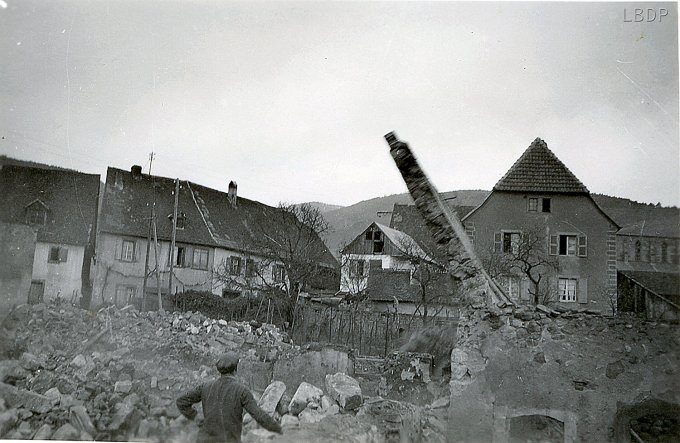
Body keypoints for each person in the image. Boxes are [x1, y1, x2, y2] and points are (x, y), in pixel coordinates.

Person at [176, 352, 283, 443]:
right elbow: (259, 415)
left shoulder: (205, 386)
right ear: (235, 369)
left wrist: (194, 416)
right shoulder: (241, 390)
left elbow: (181, 401)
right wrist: (278, 429)